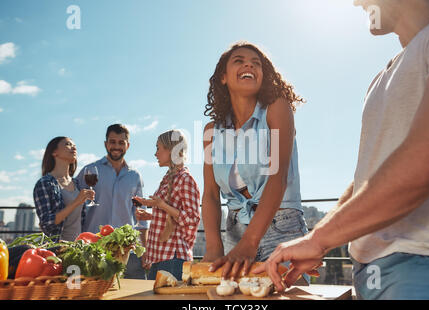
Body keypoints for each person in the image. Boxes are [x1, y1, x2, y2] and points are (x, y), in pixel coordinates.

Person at [254, 0, 429, 300]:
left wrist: (320, 239)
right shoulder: (381, 77)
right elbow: (368, 178)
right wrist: (318, 239)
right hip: (370, 270)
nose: (356, 1)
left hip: (427, 264)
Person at [201, 41, 313, 282]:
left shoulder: (277, 109)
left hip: (282, 230)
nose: (249, 64)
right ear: (223, 77)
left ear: (263, 75)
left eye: (256, 63)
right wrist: (213, 246)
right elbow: (210, 193)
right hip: (235, 233)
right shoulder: (211, 131)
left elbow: (278, 176)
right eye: (239, 61)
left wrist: (250, 243)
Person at [76, 124, 149, 279]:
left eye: (121, 142)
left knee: (134, 294)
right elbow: (75, 206)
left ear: (128, 145)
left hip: (128, 248)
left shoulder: (135, 176)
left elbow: (140, 217)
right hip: (95, 247)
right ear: (105, 144)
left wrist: (145, 250)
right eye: (112, 142)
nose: (117, 146)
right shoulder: (89, 171)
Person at [133, 130, 201, 281]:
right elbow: (172, 216)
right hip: (160, 255)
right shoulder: (168, 179)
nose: (155, 154)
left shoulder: (185, 179)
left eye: (158, 148)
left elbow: (192, 219)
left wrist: (161, 205)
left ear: (171, 150)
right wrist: (151, 216)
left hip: (174, 258)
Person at [33, 136, 95, 242]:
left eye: (74, 146)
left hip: (79, 248)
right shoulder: (44, 183)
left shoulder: (77, 183)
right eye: (68, 144)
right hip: (57, 249)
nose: (74, 148)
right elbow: (46, 223)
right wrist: (76, 202)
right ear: (54, 152)